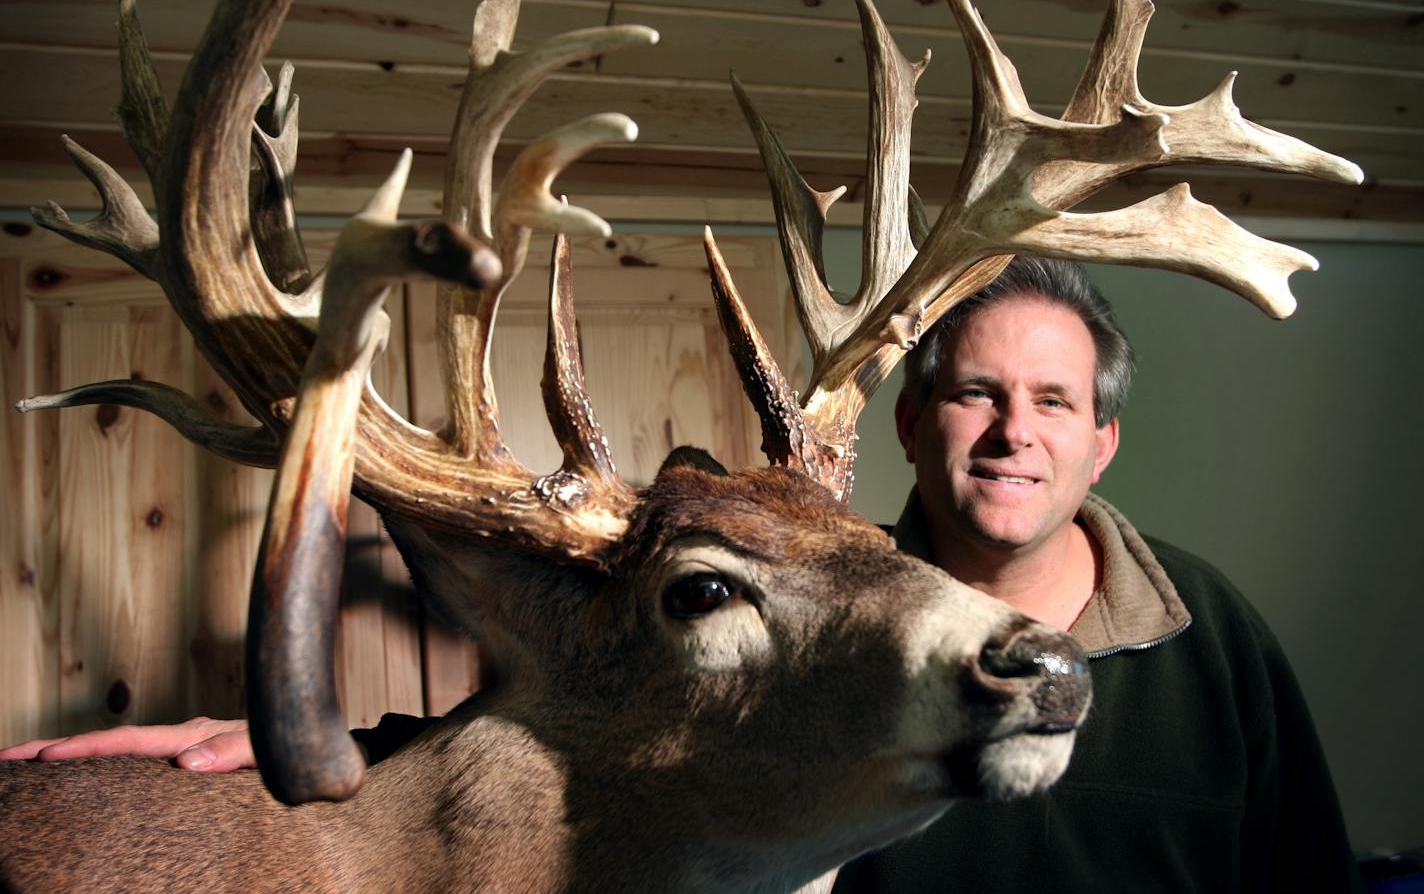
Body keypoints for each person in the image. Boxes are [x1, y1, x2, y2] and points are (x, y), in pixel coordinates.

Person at [2, 258, 1361, 892]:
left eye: (1056, 402)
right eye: (977, 393)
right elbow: (626, 741)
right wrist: (315, 757)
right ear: (911, 419)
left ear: (1103, 433)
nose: (1016, 431)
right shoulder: (825, 611)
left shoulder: (1215, 643)